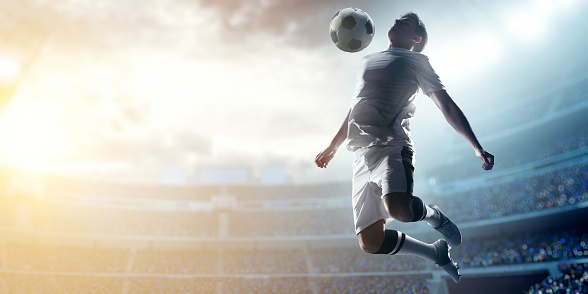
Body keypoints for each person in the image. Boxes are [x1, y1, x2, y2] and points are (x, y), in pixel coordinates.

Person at [315, 12, 494, 283]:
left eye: (406, 24)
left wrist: (477, 147)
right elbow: (356, 107)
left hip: (392, 146)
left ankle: (434, 215)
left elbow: (446, 105)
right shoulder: (367, 59)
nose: (397, 22)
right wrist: (333, 145)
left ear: (415, 39)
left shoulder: (417, 61)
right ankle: (435, 253)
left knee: (400, 210)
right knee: (370, 242)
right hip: (361, 155)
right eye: (398, 19)